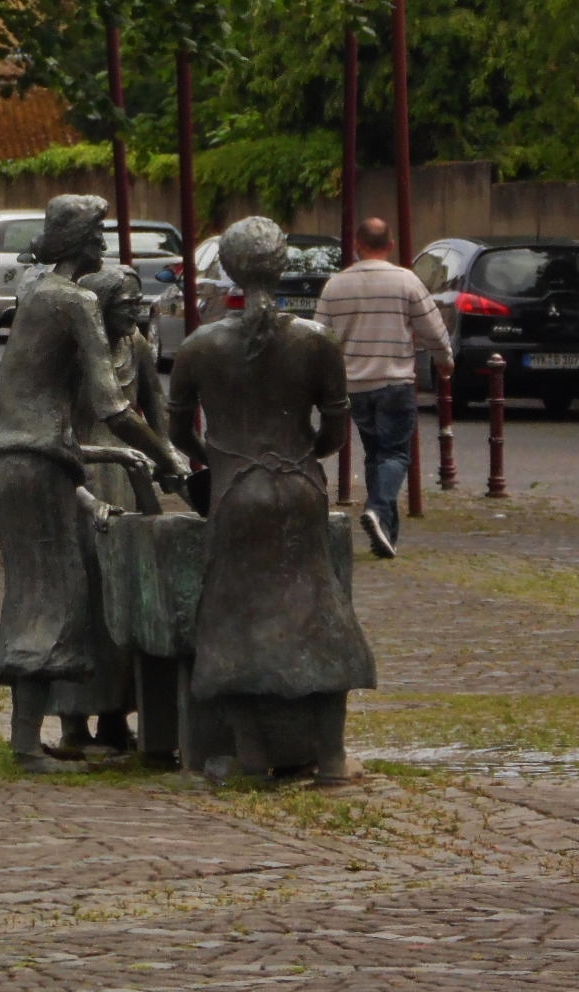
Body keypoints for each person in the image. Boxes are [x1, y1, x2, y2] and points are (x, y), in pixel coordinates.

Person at [0, 194, 186, 773]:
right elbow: (114, 408)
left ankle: (26, 741)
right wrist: (167, 455)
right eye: (98, 234)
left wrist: (132, 459)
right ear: (81, 242)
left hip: (8, 457)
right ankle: (25, 748)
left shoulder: (34, 294)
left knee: (37, 590)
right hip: (34, 459)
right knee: (58, 596)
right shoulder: (73, 301)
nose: (104, 244)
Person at [168, 216, 374, 783]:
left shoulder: (200, 346)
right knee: (322, 613)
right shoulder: (315, 342)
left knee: (231, 616)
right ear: (282, 265)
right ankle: (330, 757)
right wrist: (302, 452)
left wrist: (217, 456)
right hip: (300, 487)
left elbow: (178, 432)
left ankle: (252, 756)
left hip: (236, 489)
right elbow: (334, 432)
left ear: (228, 269)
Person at [48, 264, 175, 756]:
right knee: (83, 602)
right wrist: (85, 496)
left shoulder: (138, 346)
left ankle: (117, 716)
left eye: (139, 302)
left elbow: (156, 413)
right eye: (127, 303)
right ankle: (73, 723)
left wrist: (170, 457)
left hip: (128, 478)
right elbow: (58, 434)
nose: (137, 311)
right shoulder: (73, 356)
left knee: (128, 600)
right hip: (84, 477)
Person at [313, 216, 454, 559]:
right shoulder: (406, 281)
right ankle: (377, 509)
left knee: (376, 454)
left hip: (354, 385)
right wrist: (444, 359)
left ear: (357, 247)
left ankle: (386, 535)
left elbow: (319, 337)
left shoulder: (335, 286)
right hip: (394, 380)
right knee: (395, 453)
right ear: (390, 246)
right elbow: (432, 328)